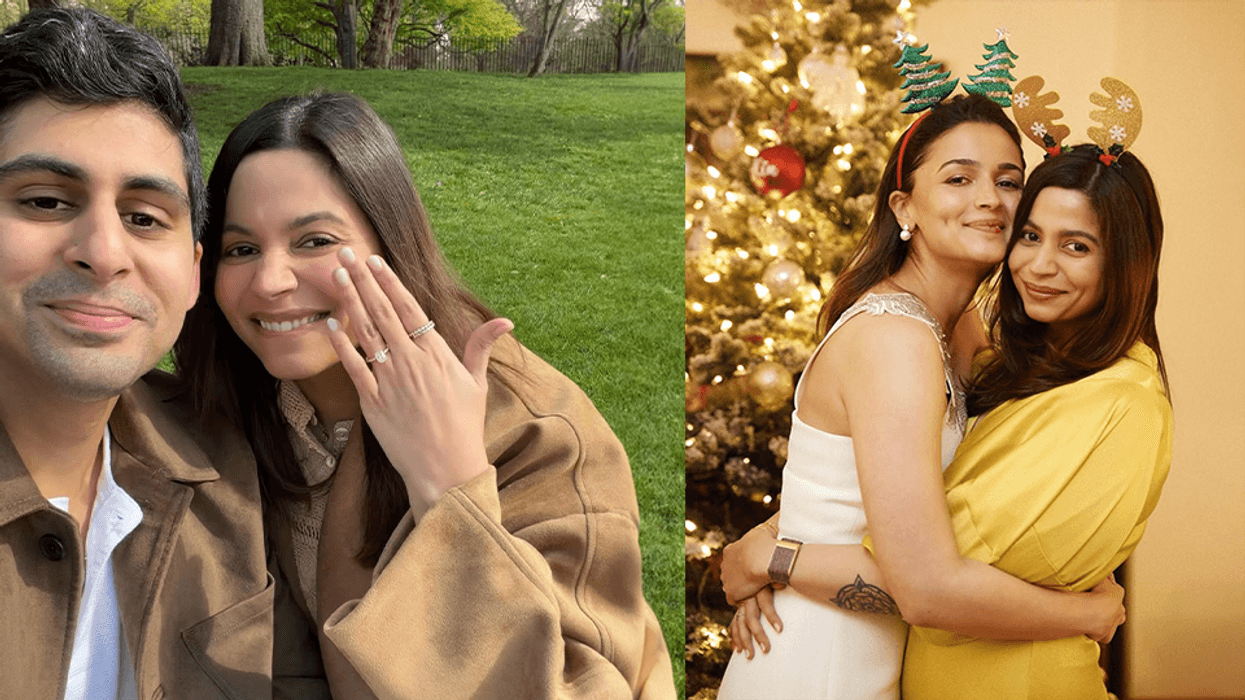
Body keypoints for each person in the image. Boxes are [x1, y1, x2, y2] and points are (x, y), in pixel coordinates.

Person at [174, 93, 676, 699]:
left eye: (314, 241)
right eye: (242, 249)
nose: (270, 281)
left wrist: (448, 487)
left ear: (391, 244)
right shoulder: (237, 407)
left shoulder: (537, 430)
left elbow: (585, 688)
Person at [715, 95, 1128, 700]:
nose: (989, 197)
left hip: (888, 661)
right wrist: (1085, 616)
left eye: (1008, 181)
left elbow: (860, 494)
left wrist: (773, 549)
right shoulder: (894, 340)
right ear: (904, 206)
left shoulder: (960, 331)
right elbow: (924, 589)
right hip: (822, 669)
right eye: (959, 177)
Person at [0, 8, 321, 699]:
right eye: (47, 201)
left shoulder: (233, 465)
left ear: (194, 269)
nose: (105, 253)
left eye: (145, 217)